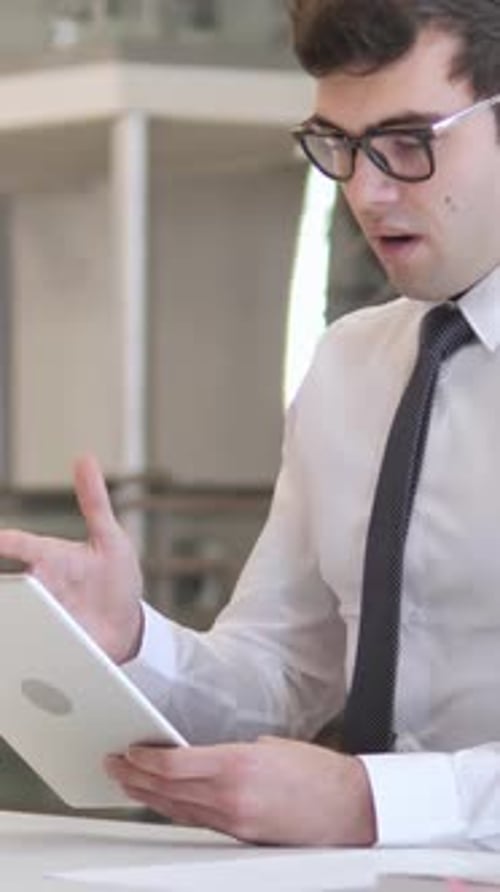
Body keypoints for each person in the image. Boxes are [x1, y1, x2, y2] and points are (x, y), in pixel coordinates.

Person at [1, 0, 500, 849]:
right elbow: (276, 679)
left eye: (410, 142)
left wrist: (374, 804)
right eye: (339, 145)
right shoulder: (349, 367)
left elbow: (358, 799)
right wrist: (128, 643)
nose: (365, 189)